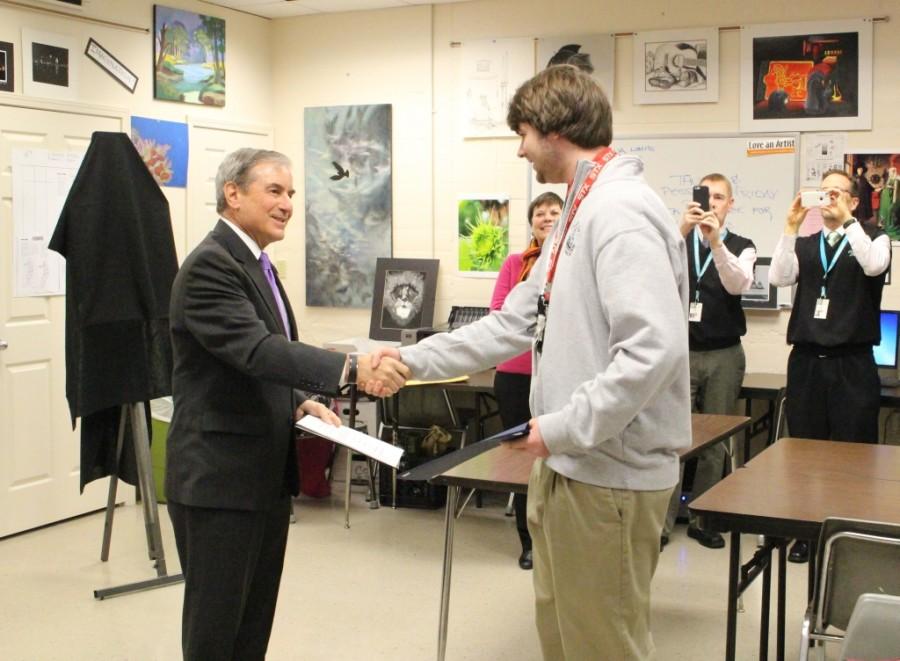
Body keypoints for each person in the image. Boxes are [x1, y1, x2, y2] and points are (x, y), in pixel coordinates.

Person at [370, 65, 691, 660]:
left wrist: (564, 427)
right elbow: (511, 322)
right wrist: (410, 360)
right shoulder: (578, 208)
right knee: (563, 638)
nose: (520, 149)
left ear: (554, 130)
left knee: (602, 645)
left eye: (522, 133)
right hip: (570, 467)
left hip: (608, 478)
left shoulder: (619, 211)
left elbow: (654, 348)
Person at [165, 148, 409, 661]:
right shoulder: (211, 266)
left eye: (291, 194)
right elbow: (257, 350)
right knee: (216, 630)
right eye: (274, 191)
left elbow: (243, 362)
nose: (287, 204)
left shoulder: (255, 262)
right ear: (233, 194)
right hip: (219, 483)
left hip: (260, 479)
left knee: (251, 626)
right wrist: (349, 369)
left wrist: (299, 402)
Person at [769, 168, 890, 563]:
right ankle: (806, 532)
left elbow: (873, 267)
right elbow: (779, 276)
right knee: (805, 453)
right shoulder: (805, 244)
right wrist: (790, 228)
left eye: (838, 193)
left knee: (853, 456)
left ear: (855, 202)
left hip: (852, 363)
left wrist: (850, 223)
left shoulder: (874, 239)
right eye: (824, 193)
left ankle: (849, 534)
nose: (830, 199)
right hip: (807, 362)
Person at [662, 174, 756, 550]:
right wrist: (681, 229)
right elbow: (652, 272)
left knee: (715, 441)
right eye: (706, 196)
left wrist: (714, 240)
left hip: (722, 353)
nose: (712, 203)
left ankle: (705, 519)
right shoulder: (677, 239)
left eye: (719, 197)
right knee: (672, 440)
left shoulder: (742, 245)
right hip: (679, 353)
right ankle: (662, 524)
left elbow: (737, 284)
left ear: (730, 204)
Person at [490, 191, 563, 570]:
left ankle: (558, 538)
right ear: (531, 221)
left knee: (558, 459)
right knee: (523, 461)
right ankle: (528, 539)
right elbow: (499, 312)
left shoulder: (572, 264)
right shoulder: (516, 262)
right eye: (540, 213)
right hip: (516, 375)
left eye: (555, 211)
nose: (547, 217)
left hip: (558, 376)